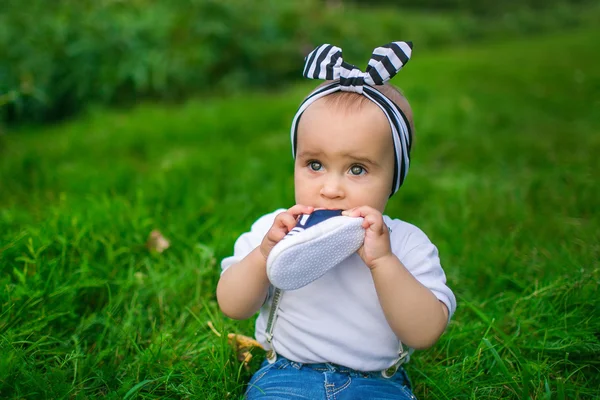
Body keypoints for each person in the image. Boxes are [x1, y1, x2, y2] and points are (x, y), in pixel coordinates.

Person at [216, 42, 456, 399]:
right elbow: (233, 306)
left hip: (377, 383)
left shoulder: (405, 244)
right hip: (286, 375)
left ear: (393, 179)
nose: (330, 189)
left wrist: (383, 262)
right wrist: (265, 254)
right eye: (315, 165)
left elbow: (424, 332)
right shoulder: (275, 230)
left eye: (357, 169)